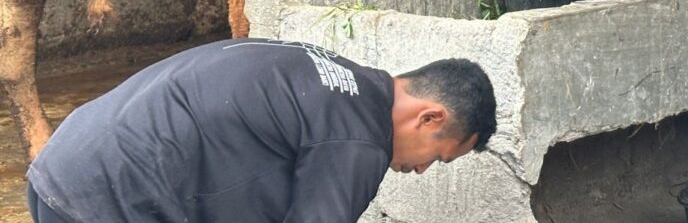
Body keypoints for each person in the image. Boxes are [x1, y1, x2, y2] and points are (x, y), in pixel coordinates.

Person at [26, 38, 497, 223]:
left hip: (68, 165)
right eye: (438, 157)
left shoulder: (337, 79)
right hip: (110, 200)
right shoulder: (359, 135)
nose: (421, 170)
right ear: (429, 118)